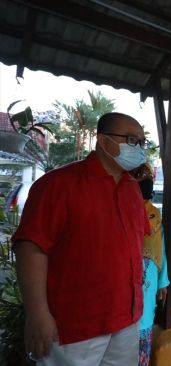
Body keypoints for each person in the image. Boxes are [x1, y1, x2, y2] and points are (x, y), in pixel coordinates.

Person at [12, 112, 150, 365]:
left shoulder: (132, 189)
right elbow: (30, 248)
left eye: (142, 143)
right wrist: (37, 313)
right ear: (103, 141)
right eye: (132, 140)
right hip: (74, 324)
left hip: (126, 317)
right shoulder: (58, 184)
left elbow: (134, 245)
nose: (139, 149)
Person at [131, 164, 169, 366]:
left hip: (149, 280)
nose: (145, 180)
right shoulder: (122, 209)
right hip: (126, 278)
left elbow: (160, 249)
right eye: (140, 176)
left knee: (145, 324)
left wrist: (163, 282)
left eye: (148, 177)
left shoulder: (155, 215)